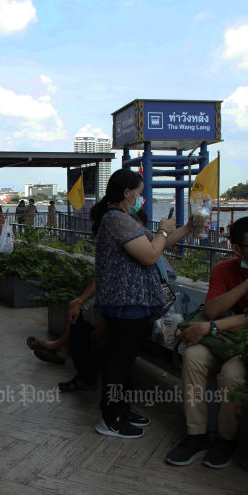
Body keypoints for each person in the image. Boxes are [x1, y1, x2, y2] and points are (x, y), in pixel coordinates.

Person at [167, 217, 248, 469]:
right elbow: (213, 309)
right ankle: (197, 435)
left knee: (230, 374)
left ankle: (227, 438)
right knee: (193, 356)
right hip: (226, 340)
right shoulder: (223, 270)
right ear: (237, 249)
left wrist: (210, 327)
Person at [91, 169, 193, 439]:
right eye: (139, 193)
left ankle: (121, 409)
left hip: (131, 303)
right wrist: (161, 229)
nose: (142, 198)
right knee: (118, 364)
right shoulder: (116, 220)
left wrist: (187, 228)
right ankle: (110, 417)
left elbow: (158, 243)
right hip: (124, 304)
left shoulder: (126, 219)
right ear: (126, 193)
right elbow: (150, 255)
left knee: (124, 363)